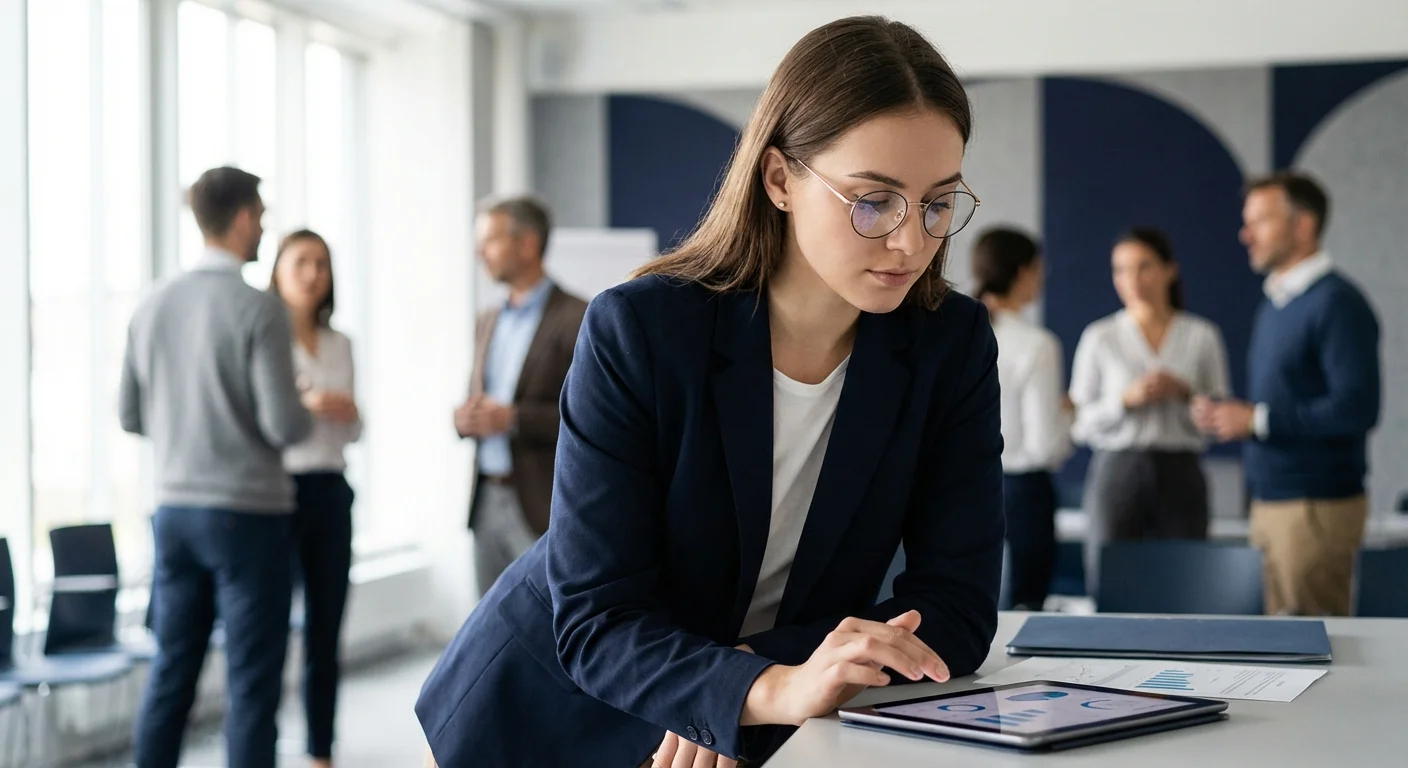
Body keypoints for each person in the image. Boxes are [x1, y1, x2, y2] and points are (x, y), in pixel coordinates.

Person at [417, 16, 1003, 767]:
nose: (911, 243)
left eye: (938, 202)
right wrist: (754, 685)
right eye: (873, 200)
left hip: (769, 711)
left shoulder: (947, 344)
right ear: (780, 179)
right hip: (559, 709)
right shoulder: (641, 330)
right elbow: (598, 617)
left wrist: (758, 680)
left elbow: (956, 607)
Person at [120, 167, 311, 768]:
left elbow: (130, 415)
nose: (263, 227)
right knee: (251, 682)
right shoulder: (259, 309)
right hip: (247, 514)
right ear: (242, 218)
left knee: (172, 669)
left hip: (173, 511)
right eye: (261, 214)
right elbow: (285, 426)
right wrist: (307, 410)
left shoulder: (152, 302)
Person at [1194, 172, 1380, 617]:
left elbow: (1357, 407)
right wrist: (1232, 416)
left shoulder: (1337, 303)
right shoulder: (1277, 302)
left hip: (1314, 507)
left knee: (1311, 651)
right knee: (1285, 652)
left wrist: (1256, 420)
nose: (1245, 234)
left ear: (1303, 225)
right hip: (1275, 502)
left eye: (1259, 220)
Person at [1069, 227, 1230, 597]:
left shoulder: (1201, 335)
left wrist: (1185, 392)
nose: (1132, 280)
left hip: (1181, 471)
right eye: (1121, 270)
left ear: (1169, 270)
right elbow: (1080, 424)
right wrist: (1125, 399)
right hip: (1117, 469)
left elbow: (1220, 416)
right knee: (1111, 583)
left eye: (1144, 267)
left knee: (1188, 583)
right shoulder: (1100, 337)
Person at [452, 196, 587, 597]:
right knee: (488, 634)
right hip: (486, 500)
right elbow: (475, 396)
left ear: (527, 244)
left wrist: (512, 419)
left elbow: (590, 419)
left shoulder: (580, 317)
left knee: (547, 630)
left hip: (543, 503)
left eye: (491, 240)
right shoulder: (487, 320)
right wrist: (464, 419)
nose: (480, 252)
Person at [268, 229, 361, 768]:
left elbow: (353, 433)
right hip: (277, 495)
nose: (311, 274)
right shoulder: (264, 336)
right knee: (272, 631)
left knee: (325, 632)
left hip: (330, 491)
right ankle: (265, 744)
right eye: (300, 262)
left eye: (321, 264)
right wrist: (306, 404)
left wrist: (348, 412)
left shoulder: (340, 342)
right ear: (278, 270)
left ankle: (319, 751)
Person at [972, 228, 1072, 612]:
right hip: (1022, 495)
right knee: (1024, 609)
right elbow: (1046, 447)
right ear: (1024, 272)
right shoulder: (1037, 345)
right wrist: (1067, 416)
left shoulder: (958, 332)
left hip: (960, 489)